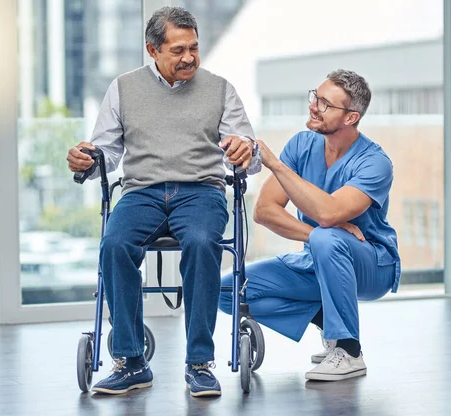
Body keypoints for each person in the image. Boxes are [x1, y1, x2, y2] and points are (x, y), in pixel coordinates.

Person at [66, 6, 260, 396]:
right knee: (115, 245)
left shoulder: (220, 88)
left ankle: (200, 363)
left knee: (204, 243)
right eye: (177, 50)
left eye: (194, 48)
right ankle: (131, 361)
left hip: (200, 190)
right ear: (153, 50)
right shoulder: (123, 88)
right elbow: (105, 151)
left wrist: (245, 150)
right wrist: (86, 160)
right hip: (142, 191)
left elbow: (250, 157)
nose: (189, 57)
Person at [219, 69, 400, 382]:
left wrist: (274, 163)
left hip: (372, 265)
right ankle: (328, 322)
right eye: (315, 97)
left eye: (325, 104)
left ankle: (348, 350)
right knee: (225, 290)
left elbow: (329, 214)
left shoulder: (375, 163)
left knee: (328, 238)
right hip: (317, 258)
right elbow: (264, 210)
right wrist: (314, 236)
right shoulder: (303, 145)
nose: (314, 106)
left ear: (351, 117)